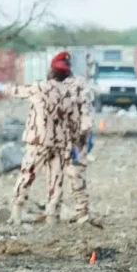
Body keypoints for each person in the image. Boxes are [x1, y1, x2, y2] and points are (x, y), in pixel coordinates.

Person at [1, 55, 80, 225]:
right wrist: (73, 145)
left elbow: (15, 91)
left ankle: (17, 213)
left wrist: (5, 87)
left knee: (27, 174)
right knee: (56, 179)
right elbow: (74, 123)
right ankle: (52, 216)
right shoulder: (69, 93)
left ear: (51, 70)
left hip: (38, 141)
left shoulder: (39, 87)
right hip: (60, 142)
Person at [54, 51, 93, 223]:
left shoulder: (61, 86)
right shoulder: (80, 84)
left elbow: (85, 113)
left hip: (67, 137)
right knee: (74, 175)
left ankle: (76, 212)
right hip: (70, 137)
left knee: (67, 175)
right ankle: (79, 211)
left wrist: (81, 138)